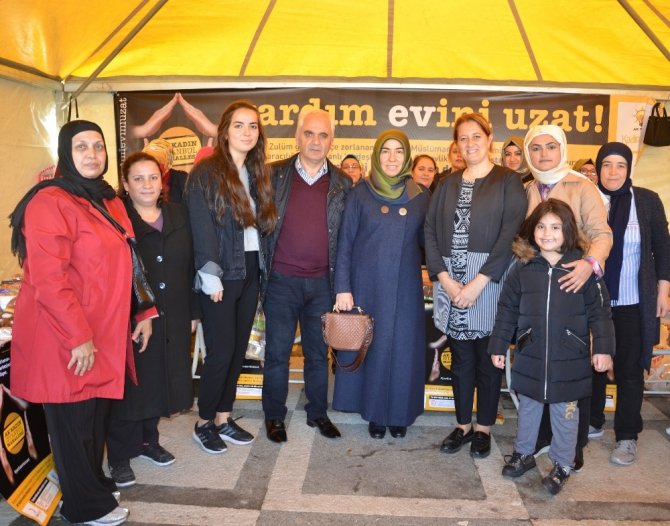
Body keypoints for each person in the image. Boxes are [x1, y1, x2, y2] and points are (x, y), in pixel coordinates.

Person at [8, 120, 154, 526]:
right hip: (65, 334)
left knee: (94, 416)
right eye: (81, 147)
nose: (92, 154)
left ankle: (90, 482)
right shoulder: (49, 202)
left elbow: (131, 259)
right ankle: (84, 506)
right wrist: (78, 337)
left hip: (103, 329)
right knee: (73, 423)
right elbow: (49, 280)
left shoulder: (107, 200)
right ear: (65, 154)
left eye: (98, 146)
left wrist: (143, 310)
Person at [488, 199, 614, 495]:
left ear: (568, 230)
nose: (547, 233)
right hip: (530, 354)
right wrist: (498, 345)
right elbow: (506, 309)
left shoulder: (582, 269)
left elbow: (600, 312)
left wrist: (603, 349)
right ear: (532, 230)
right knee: (528, 409)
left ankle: (563, 464)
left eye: (556, 227)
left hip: (570, 357)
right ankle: (524, 454)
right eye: (542, 226)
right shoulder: (522, 268)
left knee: (566, 415)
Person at [425, 113, 527, 459]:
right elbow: (429, 230)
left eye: (476, 136)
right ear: (456, 144)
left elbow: (510, 234)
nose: (469, 143)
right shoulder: (447, 183)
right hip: (450, 280)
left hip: (489, 282)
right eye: (463, 138)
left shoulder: (508, 181)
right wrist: (445, 279)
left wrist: (477, 283)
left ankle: (483, 428)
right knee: (460, 360)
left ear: (489, 138)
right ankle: (462, 425)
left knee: (488, 360)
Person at [186, 100, 277, 454]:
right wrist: (210, 276)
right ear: (225, 131)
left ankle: (224, 417)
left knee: (239, 350)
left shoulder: (256, 172)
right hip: (221, 273)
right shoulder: (206, 172)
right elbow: (201, 225)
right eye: (239, 125)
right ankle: (204, 422)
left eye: (253, 126)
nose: (247, 132)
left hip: (251, 269)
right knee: (221, 352)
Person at [107, 152, 199, 487]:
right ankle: (119, 456)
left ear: (163, 181)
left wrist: (193, 312)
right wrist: (135, 313)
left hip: (174, 312)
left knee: (161, 378)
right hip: (132, 315)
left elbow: (191, 266)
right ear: (126, 184)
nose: (147, 184)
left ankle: (149, 441)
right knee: (133, 386)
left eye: (153, 177)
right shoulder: (116, 218)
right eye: (138, 178)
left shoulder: (178, 213)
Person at [523, 125, 613, 469]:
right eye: (536, 148)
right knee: (542, 364)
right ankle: (543, 437)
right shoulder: (528, 189)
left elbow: (602, 233)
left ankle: (573, 448)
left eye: (550, 146)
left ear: (562, 149)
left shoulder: (582, 185)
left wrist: (589, 265)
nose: (543, 154)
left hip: (575, 286)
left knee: (573, 369)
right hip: (538, 290)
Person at [333, 130, 430, 439]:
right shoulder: (360, 193)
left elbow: (429, 242)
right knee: (372, 348)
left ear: (407, 157)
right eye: (386, 151)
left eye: (398, 151)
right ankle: (375, 414)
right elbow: (345, 243)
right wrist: (342, 287)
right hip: (366, 286)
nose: (391, 157)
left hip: (405, 288)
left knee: (403, 350)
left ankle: (399, 414)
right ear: (376, 155)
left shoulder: (420, 195)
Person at [262, 108, 351, 443]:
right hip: (280, 282)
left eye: (323, 135)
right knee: (277, 354)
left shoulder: (343, 183)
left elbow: (348, 239)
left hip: (322, 285)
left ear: (332, 141)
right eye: (309, 133)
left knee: (317, 354)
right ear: (297, 137)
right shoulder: (273, 175)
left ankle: (318, 413)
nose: (315, 141)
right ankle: (274, 415)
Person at [589, 142, 670, 466]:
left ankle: (626, 436)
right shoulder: (587, 197)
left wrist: (663, 291)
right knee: (591, 365)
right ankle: (592, 421)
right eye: (606, 165)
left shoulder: (647, 201)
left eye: (620, 165)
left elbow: (663, 249)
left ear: (628, 169)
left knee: (630, 370)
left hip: (633, 301)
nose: (613, 172)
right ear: (598, 168)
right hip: (593, 302)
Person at [142, 138, 189, 204]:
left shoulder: (182, 179)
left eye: (159, 163)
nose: (153, 168)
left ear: (168, 162)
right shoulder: (140, 180)